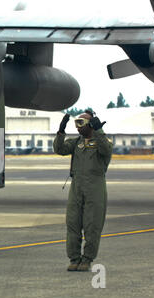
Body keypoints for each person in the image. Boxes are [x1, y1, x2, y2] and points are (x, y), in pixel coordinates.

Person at [53, 110, 112, 271]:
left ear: (91, 125)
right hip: (77, 187)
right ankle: (74, 258)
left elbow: (106, 150)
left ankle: (87, 259)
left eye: (82, 123)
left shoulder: (102, 141)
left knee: (92, 225)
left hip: (95, 187)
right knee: (73, 223)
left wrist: (99, 130)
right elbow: (60, 149)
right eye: (76, 123)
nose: (78, 127)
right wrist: (61, 131)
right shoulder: (76, 143)